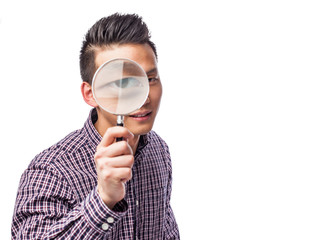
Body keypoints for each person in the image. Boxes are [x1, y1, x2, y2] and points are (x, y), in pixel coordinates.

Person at [11, 13, 179, 239]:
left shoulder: (158, 150)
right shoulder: (50, 171)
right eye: (123, 82)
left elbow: (165, 230)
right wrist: (103, 200)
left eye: (150, 79)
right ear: (91, 94)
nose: (144, 97)